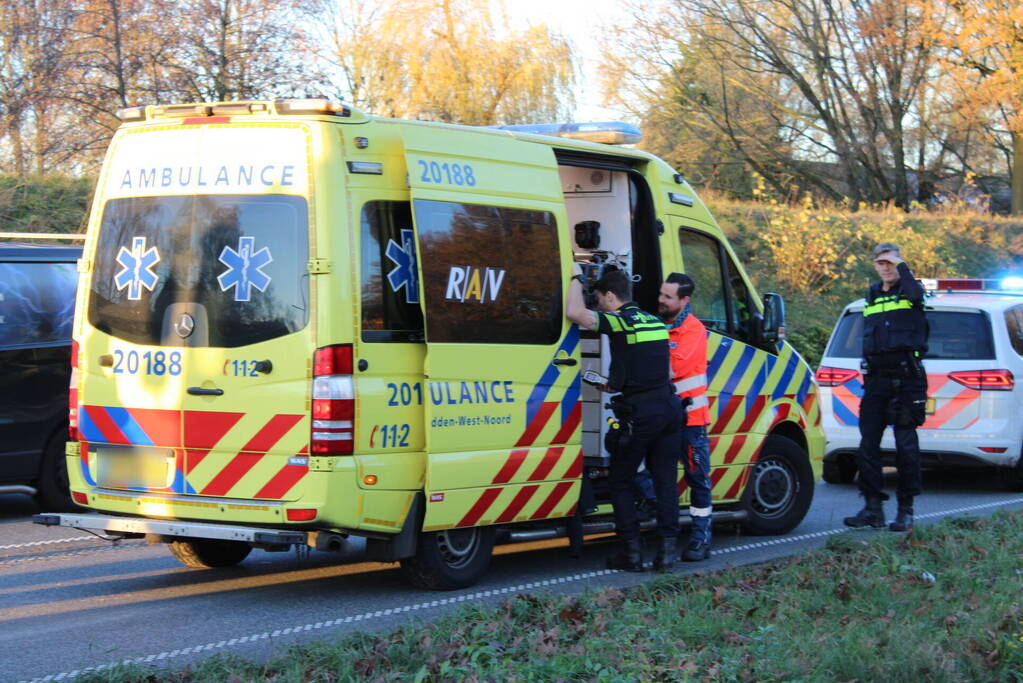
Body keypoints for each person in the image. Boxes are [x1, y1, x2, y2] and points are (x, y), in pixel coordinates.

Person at [567, 265, 684, 572]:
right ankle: (666, 553)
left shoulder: (621, 322)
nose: (597, 304)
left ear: (609, 296)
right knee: (665, 482)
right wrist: (613, 383)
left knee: (620, 480)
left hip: (640, 414)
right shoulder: (656, 323)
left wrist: (576, 277)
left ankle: (631, 553)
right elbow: (666, 372)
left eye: (599, 298)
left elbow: (574, 312)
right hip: (669, 408)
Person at [844, 242, 928, 532]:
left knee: (905, 446)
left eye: (891, 262)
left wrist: (903, 266)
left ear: (899, 263)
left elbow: (917, 294)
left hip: (907, 378)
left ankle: (906, 511)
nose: (886, 267)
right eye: (881, 262)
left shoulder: (910, 289)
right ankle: (872, 508)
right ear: (875, 264)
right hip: (877, 378)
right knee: (867, 444)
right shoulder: (872, 294)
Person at [659, 273, 713, 560]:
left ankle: (700, 539)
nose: (661, 300)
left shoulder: (693, 330)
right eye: (661, 294)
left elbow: (672, 369)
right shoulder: (660, 326)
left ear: (684, 300)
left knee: (698, 480)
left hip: (691, 420)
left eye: (668, 297)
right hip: (664, 419)